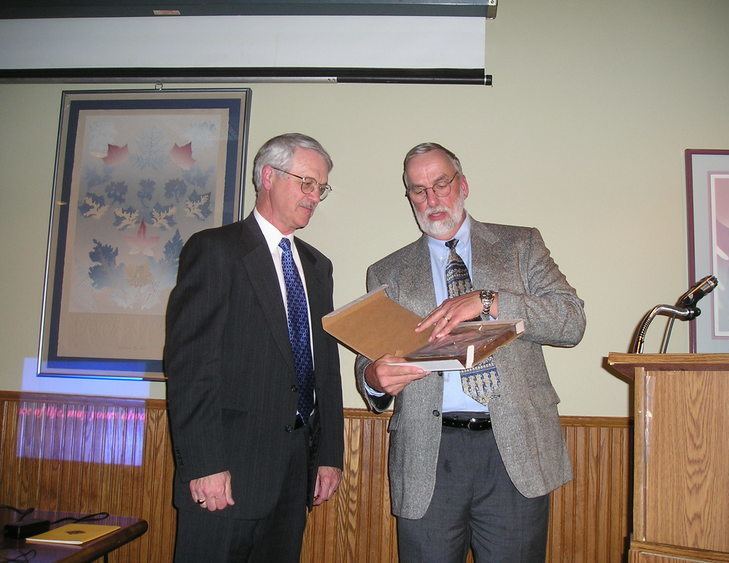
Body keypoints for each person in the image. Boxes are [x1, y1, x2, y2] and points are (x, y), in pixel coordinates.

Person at [355, 142, 585, 562]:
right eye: (418, 190)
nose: (432, 199)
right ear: (408, 196)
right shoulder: (387, 271)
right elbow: (369, 358)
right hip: (429, 454)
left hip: (513, 450)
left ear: (463, 184)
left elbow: (571, 322)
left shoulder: (521, 245)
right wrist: (374, 380)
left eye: (440, 183)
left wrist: (488, 299)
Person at [165, 133, 344, 562]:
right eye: (306, 182)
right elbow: (192, 367)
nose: (314, 196)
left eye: (321, 187)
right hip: (224, 474)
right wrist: (205, 463)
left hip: (291, 478)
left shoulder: (318, 267)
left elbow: (326, 370)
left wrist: (329, 454)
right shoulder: (215, 251)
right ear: (268, 176)